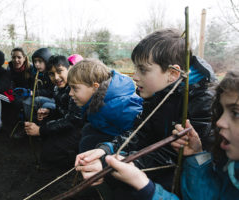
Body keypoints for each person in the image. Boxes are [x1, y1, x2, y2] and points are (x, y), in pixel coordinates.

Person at [75, 29, 217, 193]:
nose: (135, 76)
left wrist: (117, 163)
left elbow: (171, 156)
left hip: (185, 176)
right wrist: (107, 149)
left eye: (143, 70)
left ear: (172, 73)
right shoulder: (157, 94)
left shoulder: (201, 101)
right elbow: (140, 133)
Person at [102, 69, 239, 199]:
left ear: (173, 73)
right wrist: (195, 155)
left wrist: (145, 186)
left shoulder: (194, 102)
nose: (220, 122)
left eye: (236, 113)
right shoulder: (228, 165)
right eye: (222, 111)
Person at [68, 59, 143, 152]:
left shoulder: (117, 107)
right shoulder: (97, 101)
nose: (70, 93)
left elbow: (139, 134)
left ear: (95, 87)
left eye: (75, 88)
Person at [24, 55, 83, 168]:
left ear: (69, 69)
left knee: (48, 156)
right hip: (70, 124)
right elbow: (62, 110)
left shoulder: (75, 88)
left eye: (60, 71)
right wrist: (49, 111)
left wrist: (40, 130)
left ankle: (74, 157)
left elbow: (73, 120)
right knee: (45, 124)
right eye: (51, 74)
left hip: (80, 128)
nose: (56, 77)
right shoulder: (57, 88)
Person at [22, 48, 55, 124]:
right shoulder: (36, 73)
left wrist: (33, 93)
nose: (37, 64)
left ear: (47, 61)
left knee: (36, 100)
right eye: (35, 61)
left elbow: (51, 92)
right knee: (26, 100)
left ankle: (37, 123)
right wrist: (26, 91)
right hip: (40, 96)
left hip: (52, 99)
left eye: (40, 61)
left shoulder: (51, 74)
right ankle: (30, 122)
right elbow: (31, 86)